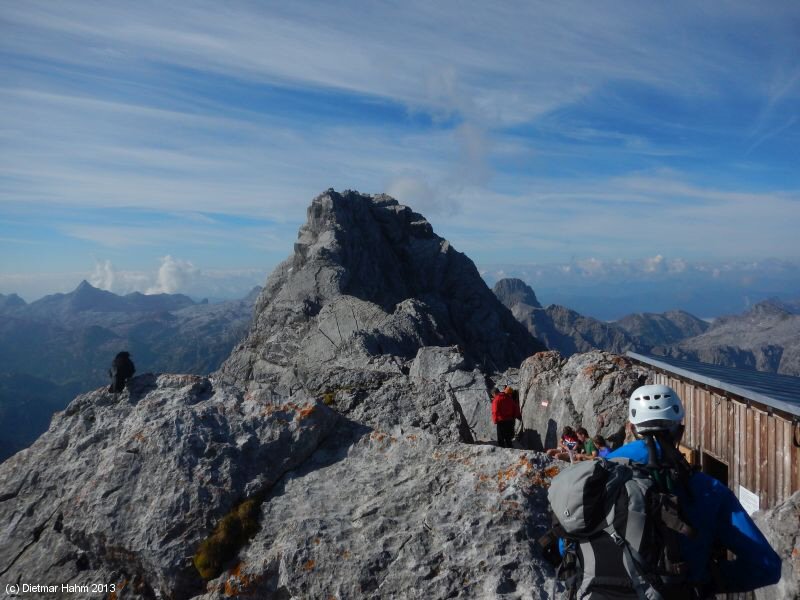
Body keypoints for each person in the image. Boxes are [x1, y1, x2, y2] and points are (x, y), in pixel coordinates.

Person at [603, 384, 781, 596]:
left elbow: (567, 542)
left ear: (631, 429)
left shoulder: (599, 475)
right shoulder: (708, 489)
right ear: (680, 431)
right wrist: (705, 578)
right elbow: (767, 566)